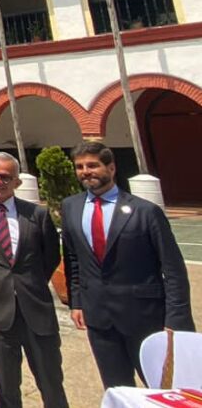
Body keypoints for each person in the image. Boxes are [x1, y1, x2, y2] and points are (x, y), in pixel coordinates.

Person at [62, 141, 193, 388]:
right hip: (99, 318)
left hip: (143, 317)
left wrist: (176, 321)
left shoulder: (145, 211)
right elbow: (73, 259)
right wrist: (77, 301)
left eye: (92, 165)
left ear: (111, 168)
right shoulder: (71, 207)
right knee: (117, 388)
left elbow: (173, 269)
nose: (85, 171)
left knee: (161, 387)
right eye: (79, 167)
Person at [0, 152, 67, 408]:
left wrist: (27, 283)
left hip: (37, 309)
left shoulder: (36, 214)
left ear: (17, 183)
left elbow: (50, 256)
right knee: (6, 385)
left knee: (50, 380)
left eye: (5, 177)